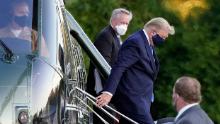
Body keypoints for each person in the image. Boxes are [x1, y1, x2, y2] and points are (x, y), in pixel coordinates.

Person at [96, 17, 175, 124]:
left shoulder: (147, 44)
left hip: (141, 100)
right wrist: (108, 92)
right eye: (162, 37)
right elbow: (119, 67)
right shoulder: (136, 42)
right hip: (132, 100)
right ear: (153, 32)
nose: (164, 40)